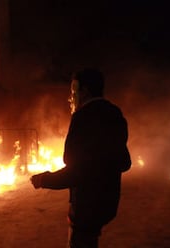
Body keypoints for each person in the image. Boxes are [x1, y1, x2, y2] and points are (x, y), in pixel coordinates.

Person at [30, 68, 131, 248]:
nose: (72, 97)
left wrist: (44, 179)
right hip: (108, 203)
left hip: (86, 207)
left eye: (73, 92)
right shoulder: (115, 113)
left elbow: (75, 171)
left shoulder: (82, 118)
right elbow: (125, 162)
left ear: (84, 91)